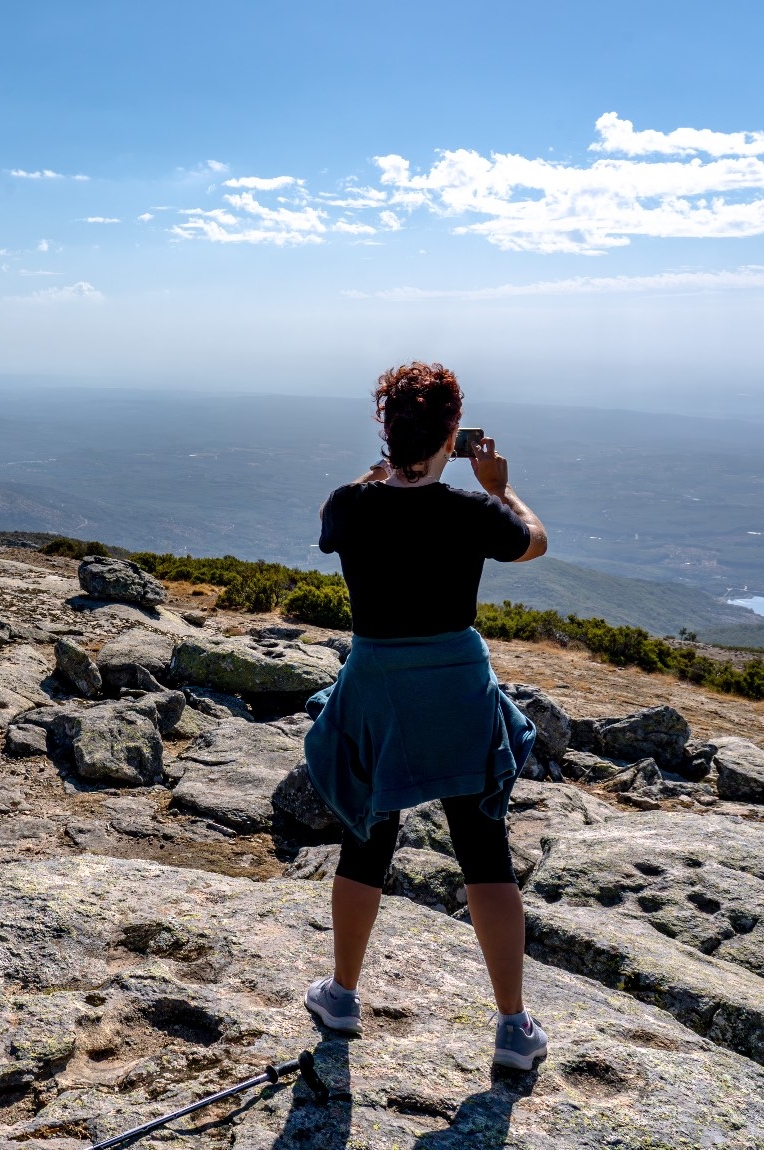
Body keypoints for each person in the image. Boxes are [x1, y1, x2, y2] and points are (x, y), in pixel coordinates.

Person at [300, 360, 552, 1072]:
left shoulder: (348, 505)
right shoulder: (474, 512)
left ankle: (342, 996)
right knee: (484, 853)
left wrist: (387, 472)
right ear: (453, 436)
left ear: (386, 429)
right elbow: (534, 541)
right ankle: (512, 1029)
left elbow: (350, 514)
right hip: (457, 690)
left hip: (379, 689)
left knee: (367, 839)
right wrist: (502, 489)